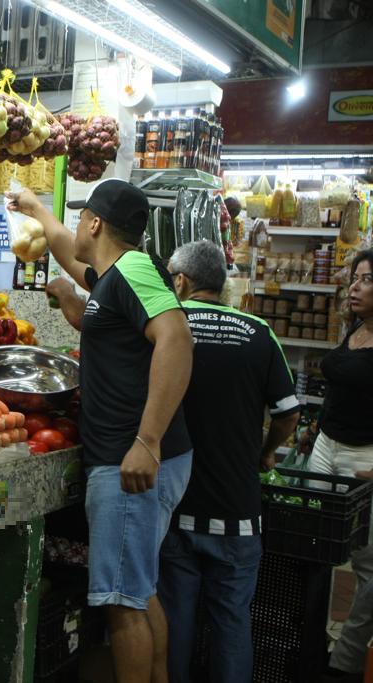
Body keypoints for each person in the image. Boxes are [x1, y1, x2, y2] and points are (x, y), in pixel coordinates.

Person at [7, 179, 194, 683]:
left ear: (95, 222)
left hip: (130, 460)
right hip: (137, 455)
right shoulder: (117, 275)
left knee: (122, 605)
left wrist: (146, 441)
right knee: (139, 589)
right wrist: (39, 212)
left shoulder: (132, 270)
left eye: (80, 217)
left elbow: (176, 339)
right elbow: (76, 264)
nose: (74, 230)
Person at [156, 240, 300, 683]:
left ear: (180, 281)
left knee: (175, 620)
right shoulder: (258, 332)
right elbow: (288, 411)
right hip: (238, 514)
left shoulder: (168, 327)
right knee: (233, 623)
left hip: (178, 507)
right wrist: (266, 451)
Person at [306, 248, 373, 683]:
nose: (354, 286)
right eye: (355, 277)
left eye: (366, 279)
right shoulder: (356, 330)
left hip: (364, 460)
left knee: (369, 568)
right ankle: (307, 642)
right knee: (313, 547)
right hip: (326, 447)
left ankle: (345, 661)